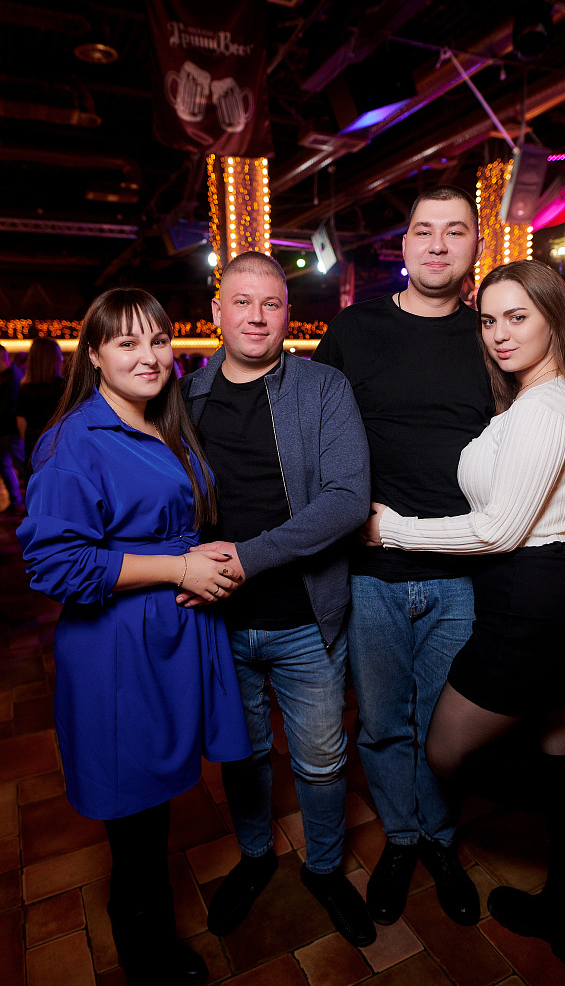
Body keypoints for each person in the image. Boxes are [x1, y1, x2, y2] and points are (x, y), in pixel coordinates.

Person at [312, 186, 565, 932]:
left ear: (477, 246)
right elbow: (313, 431)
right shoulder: (356, 329)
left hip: (471, 579)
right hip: (374, 577)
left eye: (455, 231)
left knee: (449, 736)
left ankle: (441, 843)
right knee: (383, 723)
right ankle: (402, 841)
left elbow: (539, 437)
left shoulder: (490, 340)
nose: (437, 244)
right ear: (402, 244)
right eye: (423, 230)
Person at [17, 288, 253, 986]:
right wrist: (179, 566)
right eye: (127, 343)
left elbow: (171, 519)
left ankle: (145, 934)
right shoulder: (75, 441)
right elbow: (55, 564)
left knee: (155, 807)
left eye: (157, 340)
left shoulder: (163, 422)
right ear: (93, 355)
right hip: (119, 649)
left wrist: (205, 554)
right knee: (136, 816)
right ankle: (145, 956)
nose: (149, 356)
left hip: (170, 637)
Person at [179, 251, 376, 948]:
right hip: (217, 619)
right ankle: (256, 855)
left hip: (303, 616)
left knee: (321, 758)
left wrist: (248, 557)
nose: (256, 316)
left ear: (289, 315)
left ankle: (324, 868)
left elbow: (348, 500)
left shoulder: (323, 387)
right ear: (217, 312)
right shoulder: (184, 398)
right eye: (242, 301)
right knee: (243, 753)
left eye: (271, 303)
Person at [16, 336, 65, 469]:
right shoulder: (64, 388)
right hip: (59, 446)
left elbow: (21, 422)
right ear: (54, 358)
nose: (62, 359)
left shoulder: (25, 388)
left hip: (34, 445)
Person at [0, 343, 25, 512]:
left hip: (10, 430)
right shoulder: (8, 375)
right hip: (5, 429)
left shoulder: (11, 377)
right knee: (3, 464)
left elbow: (9, 406)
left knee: (21, 466)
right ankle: (17, 501)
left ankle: (30, 505)